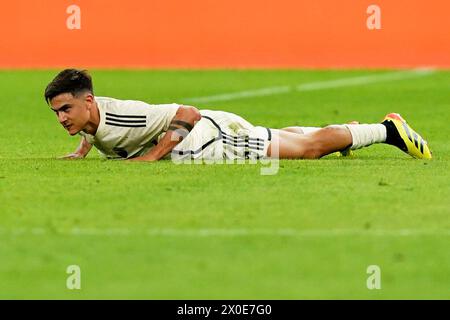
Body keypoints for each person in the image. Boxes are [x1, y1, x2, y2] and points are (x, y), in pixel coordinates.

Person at [44, 69, 432, 162]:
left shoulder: (126, 116)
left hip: (210, 139)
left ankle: (386, 130)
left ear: (89, 100)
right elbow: (97, 128)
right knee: (285, 134)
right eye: (57, 112)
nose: (62, 117)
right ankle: (350, 130)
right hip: (211, 136)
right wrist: (82, 150)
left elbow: (187, 113)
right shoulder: (92, 115)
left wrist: (150, 157)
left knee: (307, 150)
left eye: (66, 109)